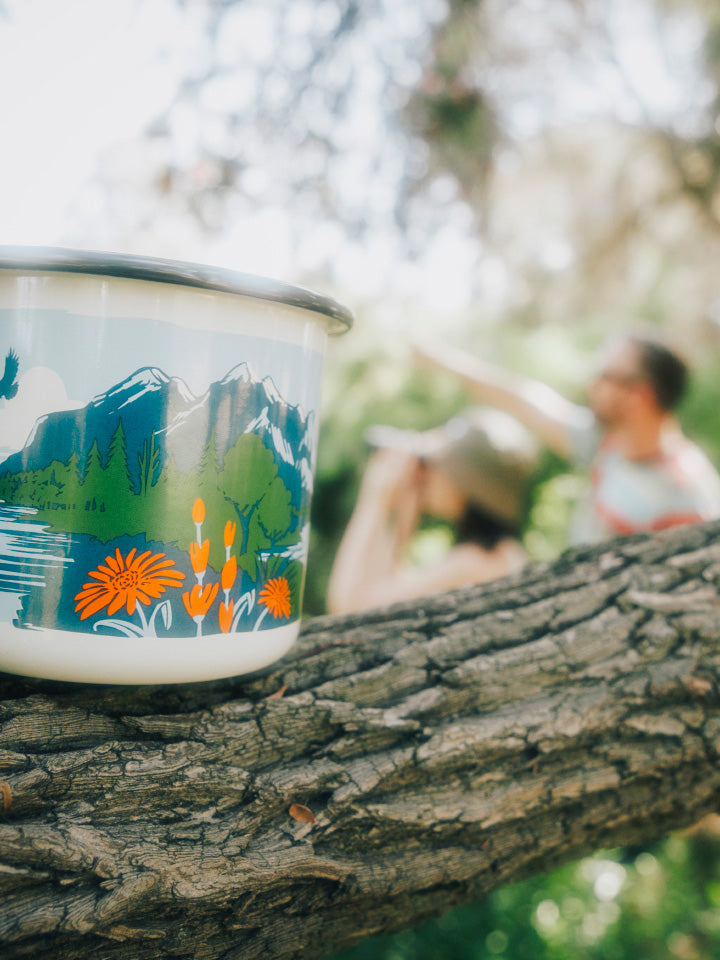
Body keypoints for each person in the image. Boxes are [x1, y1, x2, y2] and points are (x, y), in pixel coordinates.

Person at [413, 333, 720, 545]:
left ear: (639, 396)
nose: (592, 384)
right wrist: (443, 360)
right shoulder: (608, 444)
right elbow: (526, 400)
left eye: (604, 376)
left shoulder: (689, 494)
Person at [326, 407, 539, 615]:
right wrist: (405, 507)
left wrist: (373, 498)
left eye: (436, 464)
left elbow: (350, 608)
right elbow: (389, 587)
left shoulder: (475, 563)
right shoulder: (502, 554)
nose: (428, 473)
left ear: (465, 484)